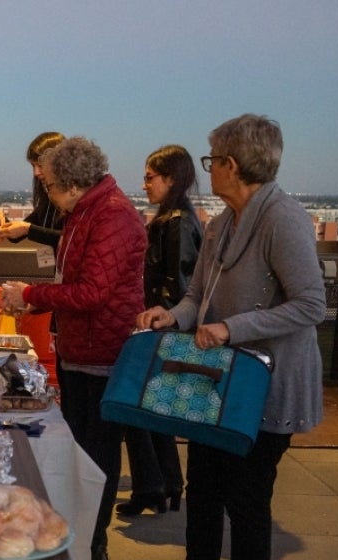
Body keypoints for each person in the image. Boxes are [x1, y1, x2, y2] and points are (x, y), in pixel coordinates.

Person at [133, 114, 324, 560]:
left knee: (248, 493)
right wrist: (173, 316)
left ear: (232, 165)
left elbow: (311, 304)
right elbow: (198, 296)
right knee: (205, 478)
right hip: (221, 380)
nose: (208, 168)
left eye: (212, 159)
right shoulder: (221, 223)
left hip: (269, 383)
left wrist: (231, 328)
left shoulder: (282, 219)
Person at [0, 137, 147, 560]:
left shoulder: (113, 217)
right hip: (80, 347)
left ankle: (91, 545)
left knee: (96, 452)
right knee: (81, 446)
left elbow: (92, 292)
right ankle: (79, 536)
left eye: (48, 185)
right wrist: (40, 303)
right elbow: (76, 283)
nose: (46, 194)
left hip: (104, 351)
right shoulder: (87, 213)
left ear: (69, 183)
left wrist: (29, 291)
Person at [117, 145, 204, 516]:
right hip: (161, 326)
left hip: (165, 330)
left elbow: (180, 284)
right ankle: (160, 486)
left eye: (150, 176)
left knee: (146, 409)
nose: (145, 183)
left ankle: (160, 485)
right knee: (153, 410)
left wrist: (160, 319)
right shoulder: (174, 218)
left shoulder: (178, 222)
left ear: (171, 179)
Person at [0, 131, 66, 249]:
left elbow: (71, 239)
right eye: (33, 166)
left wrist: (27, 229)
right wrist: (2, 222)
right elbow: (18, 234)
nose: (36, 173)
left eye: (40, 165)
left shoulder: (75, 201)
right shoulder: (47, 200)